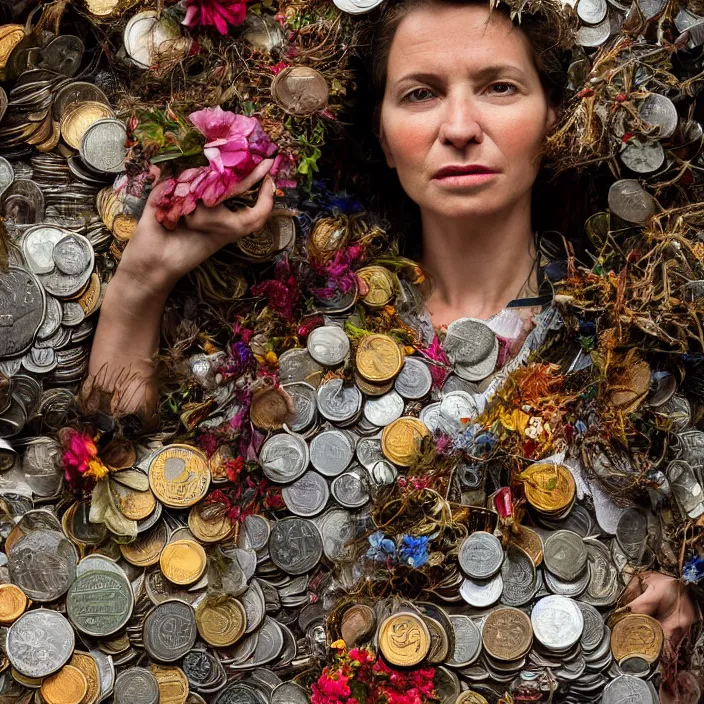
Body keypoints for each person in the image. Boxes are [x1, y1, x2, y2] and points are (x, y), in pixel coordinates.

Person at [87, 0, 699, 688]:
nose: (461, 128)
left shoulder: (646, 343)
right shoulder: (293, 345)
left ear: (554, 115)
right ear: (380, 132)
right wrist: (141, 281)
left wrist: (683, 616)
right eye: (420, 94)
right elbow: (119, 492)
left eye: (499, 87)